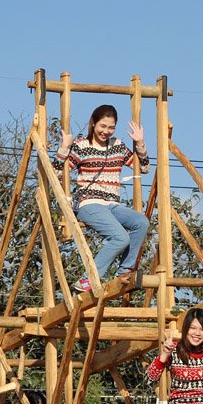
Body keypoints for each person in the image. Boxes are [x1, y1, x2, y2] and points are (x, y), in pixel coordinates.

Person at [55, 104, 150, 293]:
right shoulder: (82, 146)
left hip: (112, 204)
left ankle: (124, 270)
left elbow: (144, 168)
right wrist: (65, 147)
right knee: (120, 237)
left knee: (142, 222)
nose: (105, 131)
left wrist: (140, 143)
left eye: (110, 127)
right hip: (89, 203)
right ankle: (88, 279)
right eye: (102, 126)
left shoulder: (118, 146)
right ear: (93, 123)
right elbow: (57, 171)